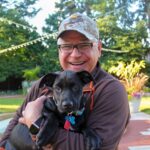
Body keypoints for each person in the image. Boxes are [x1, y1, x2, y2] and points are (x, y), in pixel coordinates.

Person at [0, 12, 130, 150]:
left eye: (84, 45)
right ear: (59, 51)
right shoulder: (44, 83)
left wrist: (35, 124)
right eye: (67, 46)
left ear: (98, 48)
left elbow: (99, 147)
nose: (75, 54)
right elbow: (16, 119)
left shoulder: (110, 90)